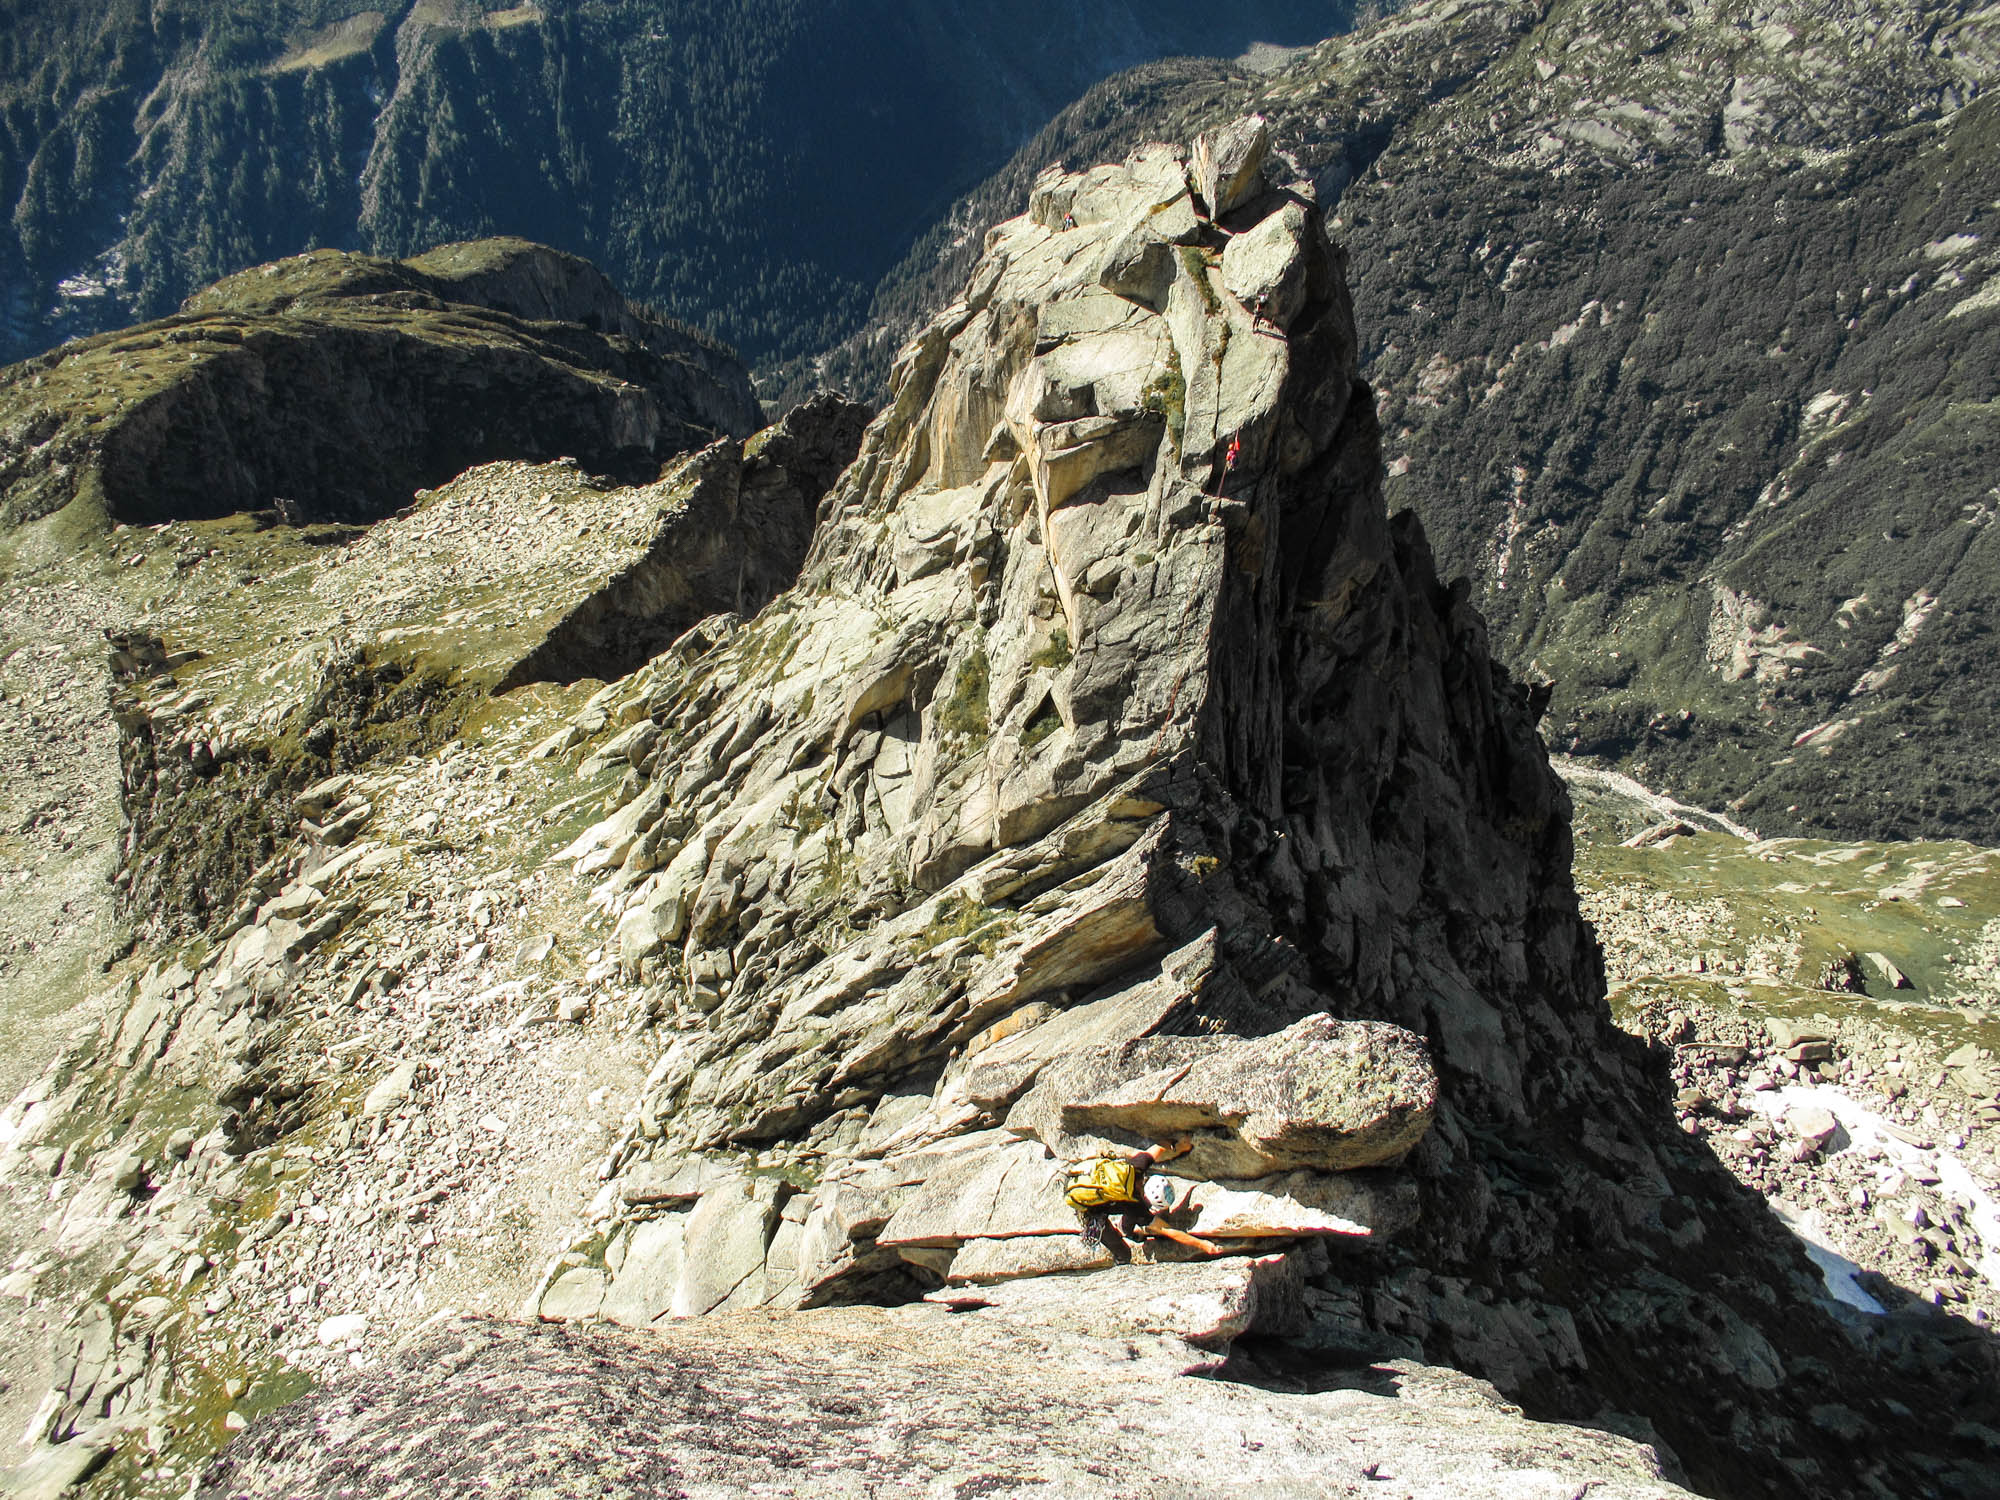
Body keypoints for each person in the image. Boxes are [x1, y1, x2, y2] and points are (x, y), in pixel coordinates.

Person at [1067, 1136, 1225, 1262]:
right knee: (1125, 1253)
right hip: (1087, 1206)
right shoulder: (1138, 1208)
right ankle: (1120, 1258)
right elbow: (1171, 1231)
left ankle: (1126, 1230)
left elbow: (1161, 1145)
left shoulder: (1136, 1167)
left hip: (1082, 1177)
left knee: (1129, 1215)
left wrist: (1180, 1145)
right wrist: (1204, 1245)